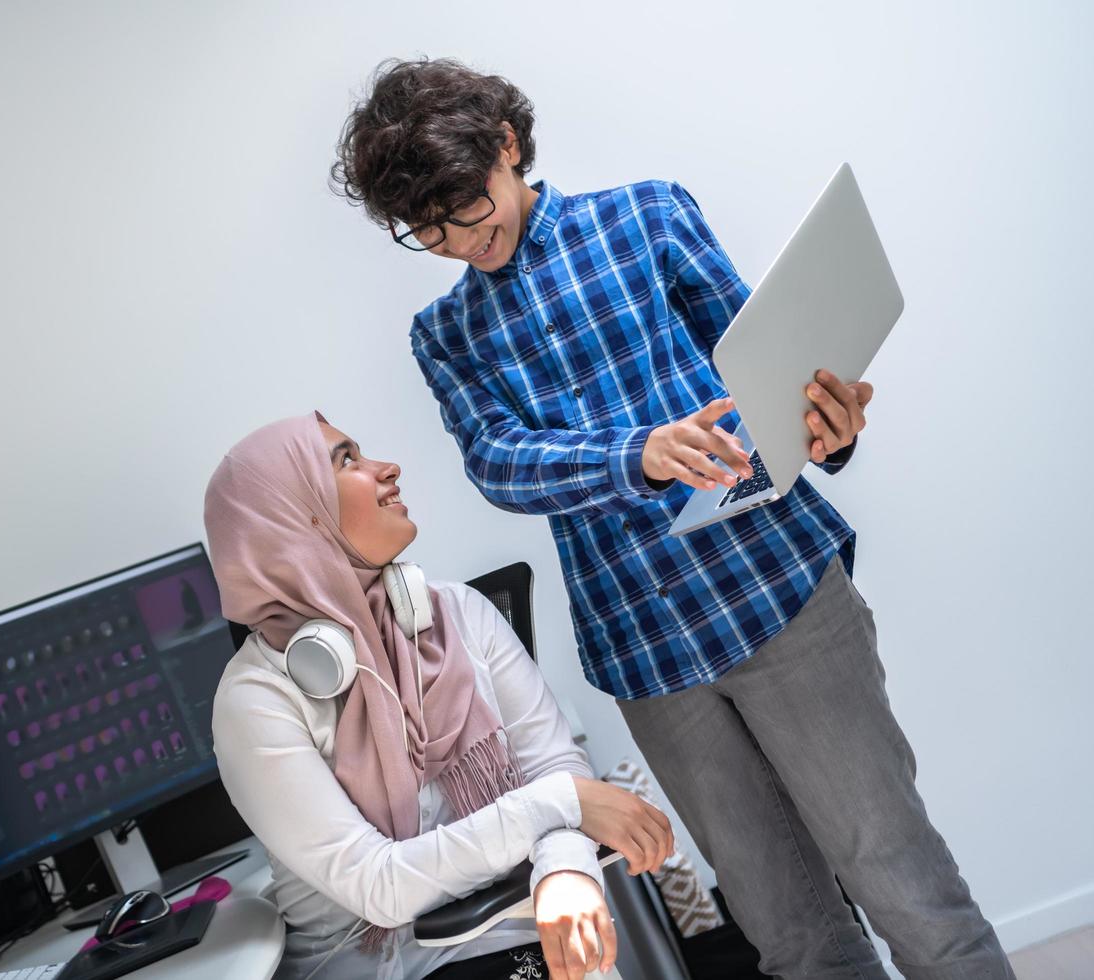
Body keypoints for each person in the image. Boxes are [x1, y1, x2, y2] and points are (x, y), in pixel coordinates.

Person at [330, 58, 1013, 979]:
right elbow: (497, 461)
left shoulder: (647, 217)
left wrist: (828, 426)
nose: (460, 240)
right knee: (792, 938)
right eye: (429, 229)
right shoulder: (444, 335)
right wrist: (634, 455)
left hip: (778, 593)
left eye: (469, 205)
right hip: (646, 651)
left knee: (910, 892)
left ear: (509, 146)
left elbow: (775, 376)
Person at [204, 413, 674, 980]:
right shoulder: (255, 700)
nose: (387, 469)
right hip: (372, 962)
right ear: (296, 516)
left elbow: (553, 765)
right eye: (346, 460)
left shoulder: (457, 612)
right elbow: (380, 886)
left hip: (504, 923)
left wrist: (564, 872)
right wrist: (562, 803)